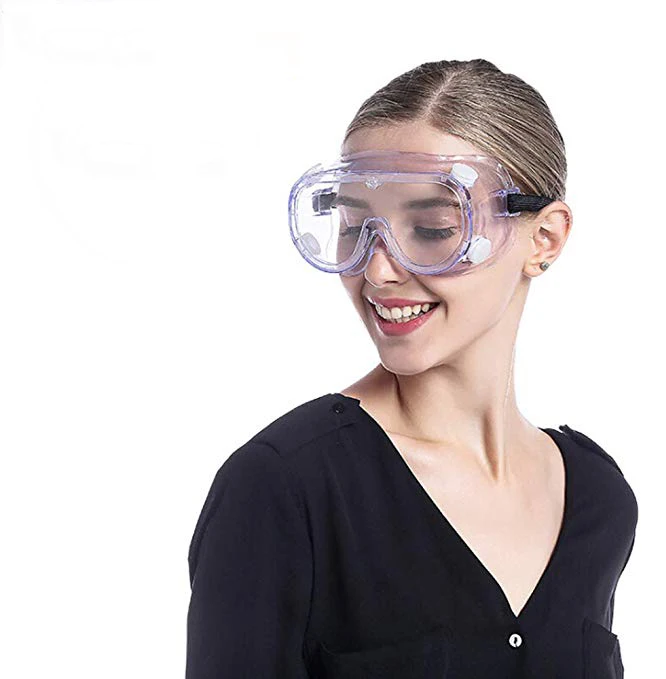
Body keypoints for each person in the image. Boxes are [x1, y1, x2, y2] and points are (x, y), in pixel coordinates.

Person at [185, 58, 638, 679]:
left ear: (545, 238)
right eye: (354, 228)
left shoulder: (597, 498)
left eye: (432, 228)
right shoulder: (285, 487)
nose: (377, 270)